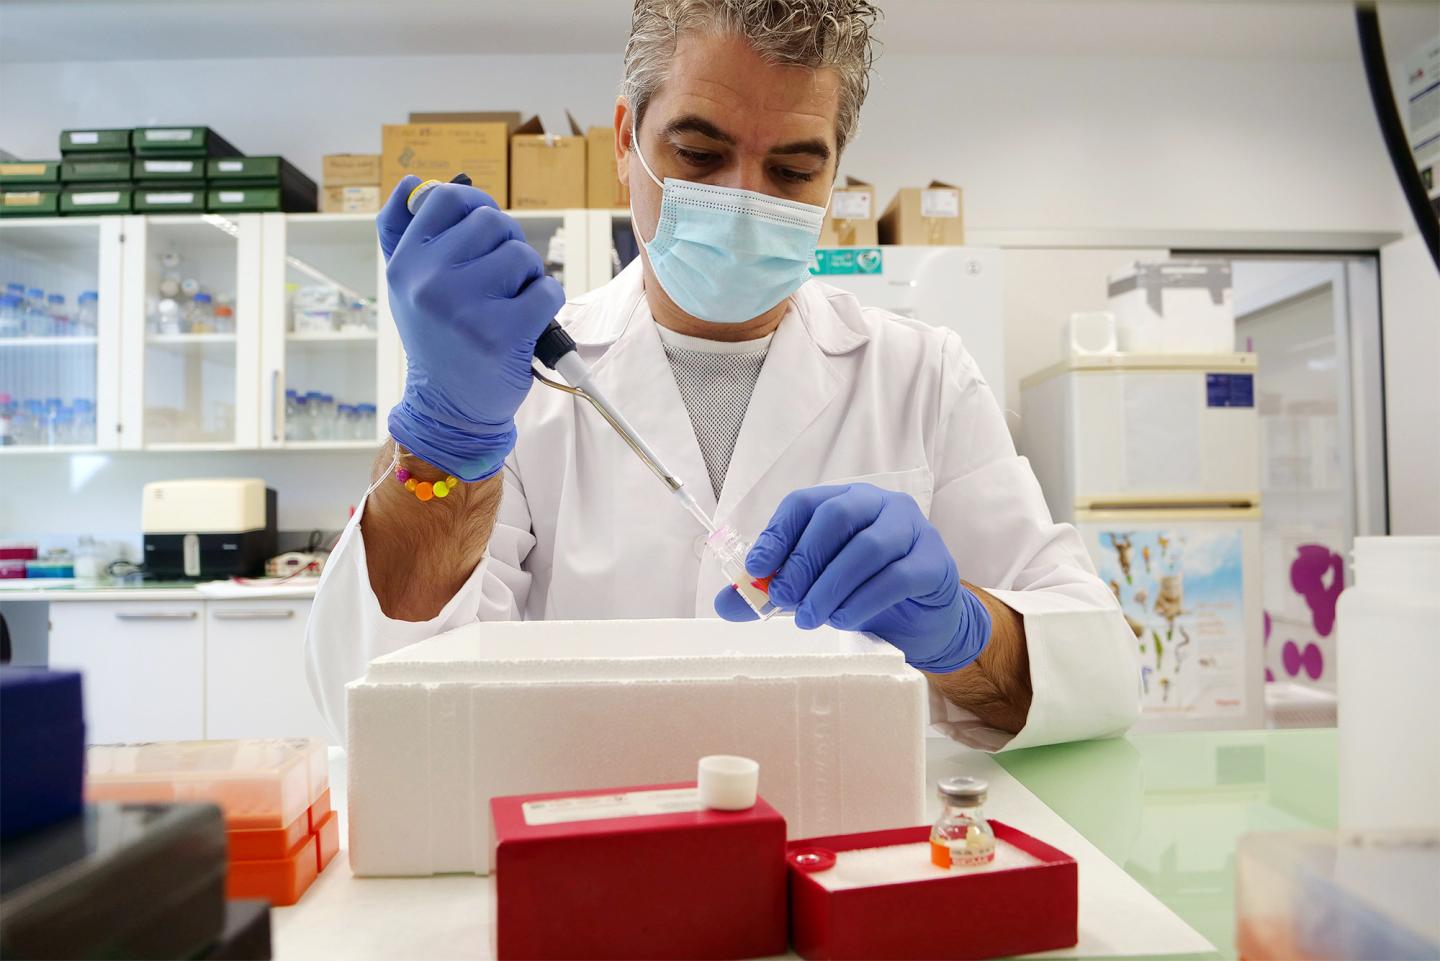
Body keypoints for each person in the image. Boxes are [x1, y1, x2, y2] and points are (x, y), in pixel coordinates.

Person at [306, 0, 1139, 751]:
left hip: (850, 863)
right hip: (594, 860)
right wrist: (445, 441)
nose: (744, 201)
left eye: (792, 171)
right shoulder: (513, 385)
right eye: (700, 152)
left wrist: (962, 629)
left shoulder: (922, 374)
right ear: (626, 143)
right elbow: (374, 711)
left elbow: (1099, 676)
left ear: (834, 171)